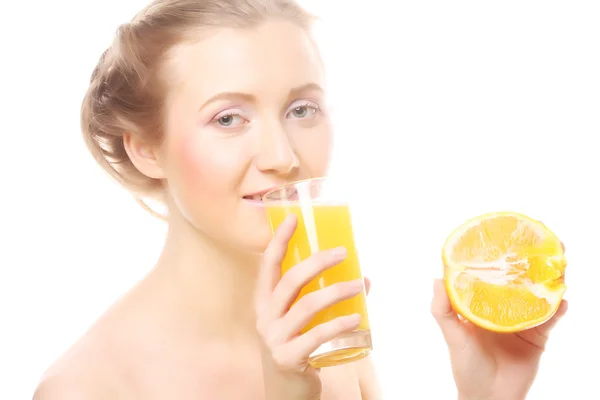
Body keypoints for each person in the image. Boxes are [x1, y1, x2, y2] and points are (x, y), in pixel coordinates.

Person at [33, 0, 568, 399]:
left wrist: (488, 395)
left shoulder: (331, 333)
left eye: (301, 110)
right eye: (228, 118)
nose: (283, 155)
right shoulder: (89, 387)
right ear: (147, 150)